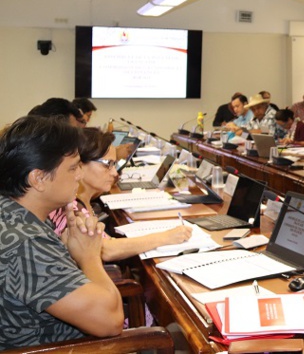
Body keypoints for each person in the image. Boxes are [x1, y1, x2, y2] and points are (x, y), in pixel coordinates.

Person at [0, 116, 123, 349]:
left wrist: (70, 250)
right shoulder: (26, 244)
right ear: (38, 179)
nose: (79, 175)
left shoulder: (11, 212)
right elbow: (111, 321)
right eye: (74, 167)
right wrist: (88, 256)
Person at [49, 128, 192, 262]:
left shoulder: (83, 199)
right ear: (80, 163)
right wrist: (166, 237)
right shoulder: (71, 207)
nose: (114, 173)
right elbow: (105, 249)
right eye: (107, 164)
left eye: (114, 164)